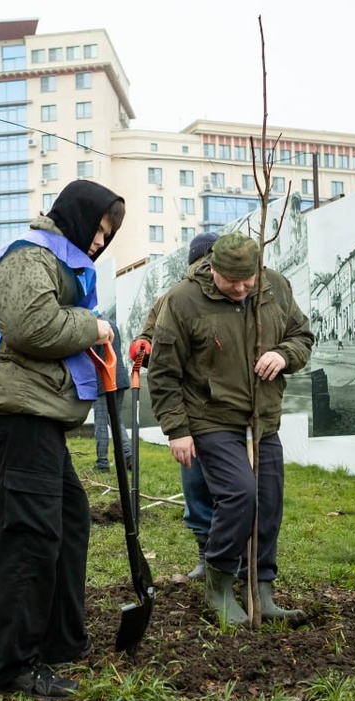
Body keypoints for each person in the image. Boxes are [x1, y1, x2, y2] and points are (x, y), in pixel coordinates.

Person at [0, 179, 124, 700]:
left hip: (35, 406)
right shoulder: (30, 256)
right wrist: (95, 327)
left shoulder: (59, 260)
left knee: (69, 515)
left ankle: (59, 639)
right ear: (76, 215)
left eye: (108, 234)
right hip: (17, 405)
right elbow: (32, 327)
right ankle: (14, 664)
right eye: (98, 228)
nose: (100, 241)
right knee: (30, 529)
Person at [147, 231, 314, 626]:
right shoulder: (183, 301)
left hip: (262, 417)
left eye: (248, 281)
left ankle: (260, 590)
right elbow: (163, 372)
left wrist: (283, 354)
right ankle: (219, 583)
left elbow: (301, 335)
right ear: (212, 269)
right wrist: (177, 429)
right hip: (210, 418)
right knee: (240, 493)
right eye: (231, 281)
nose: (240, 289)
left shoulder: (275, 287)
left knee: (268, 502)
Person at [130, 231, 219, 580]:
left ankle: (235, 560)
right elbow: (151, 333)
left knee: (232, 488)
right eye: (204, 260)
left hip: (228, 405)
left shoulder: (237, 292)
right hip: (191, 405)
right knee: (196, 482)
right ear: (194, 263)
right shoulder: (173, 298)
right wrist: (144, 345)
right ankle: (206, 555)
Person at [92, 318, 132, 472]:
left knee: (101, 422)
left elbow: (92, 355)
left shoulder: (94, 327)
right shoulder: (111, 325)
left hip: (104, 378)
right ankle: (128, 456)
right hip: (119, 376)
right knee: (115, 419)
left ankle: (102, 463)